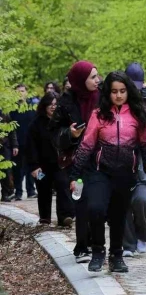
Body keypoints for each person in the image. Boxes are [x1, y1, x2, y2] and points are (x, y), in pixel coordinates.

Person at [69, 71, 146, 273]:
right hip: (100, 172)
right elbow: (86, 145)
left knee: (118, 216)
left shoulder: (137, 114)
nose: (118, 95)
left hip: (125, 173)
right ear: (108, 93)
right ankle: (98, 251)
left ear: (128, 91)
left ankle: (117, 256)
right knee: (96, 209)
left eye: (122, 91)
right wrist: (75, 176)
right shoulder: (98, 115)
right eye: (114, 91)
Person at [51, 60, 101, 263]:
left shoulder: (103, 98)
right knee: (81, 202)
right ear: (81, 80)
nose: (97, 80)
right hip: (76, 162)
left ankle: (97, 244)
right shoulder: (65, 102)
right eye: (92, 77)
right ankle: (82, 246)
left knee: (96, 203)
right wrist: (70, 134)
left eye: (97, 76)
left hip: (100, 158)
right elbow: (54, 133)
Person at [122, 63, 146, 257]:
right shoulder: (117, 97)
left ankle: (141, 234)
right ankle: (128, 244)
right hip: (122, 154)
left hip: (144, 154)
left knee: (142, 199)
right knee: (124, 200)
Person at [27, 92, 74, 226]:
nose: (53, 107)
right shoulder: (35, 124)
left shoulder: (63, 122)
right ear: (44, 106)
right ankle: (45, 217)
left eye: (55, 104)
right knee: (43, 188)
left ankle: (65, 217)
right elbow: (31, 147)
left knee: (63, 184)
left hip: (60, 164)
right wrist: (34, 166)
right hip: (41, 166)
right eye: (50, 104)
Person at [10, 84, 38, 200]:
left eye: (22, 91)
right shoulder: (12, 109)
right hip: (18, 143)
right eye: (18, 91)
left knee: (32, 166)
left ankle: (31, 190)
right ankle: (18, 191)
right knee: (17, 169)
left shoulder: (32, 107)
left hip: (31, 142)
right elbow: (11, 128)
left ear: (26, 92)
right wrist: (14, 144)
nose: (20, 93)